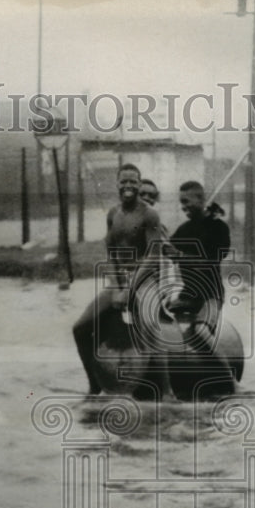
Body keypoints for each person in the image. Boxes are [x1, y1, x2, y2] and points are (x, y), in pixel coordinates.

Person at [72, 163, 176, 399]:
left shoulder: (149, 214)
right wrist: (118, 287)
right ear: (117, 184)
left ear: (139, 185)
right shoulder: (113, 214)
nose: (128, 186)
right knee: (80, 328)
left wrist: (130, 289)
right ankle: (94, 384)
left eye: (133, 182)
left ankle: (167, 392)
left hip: (145, 282)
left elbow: (153, 255)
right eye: (124, 181)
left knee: (150, 327)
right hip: (120, 283)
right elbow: (110, 254)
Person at [169, 180, 232, 369]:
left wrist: (179, 255)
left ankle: (233, 382)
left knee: (201, 331)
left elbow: (210, 261)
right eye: (181, 202)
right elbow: (167, 250)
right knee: (159, 319)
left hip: (210, 295)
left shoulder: (219, 228)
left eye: (187, 202)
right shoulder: (184, 230)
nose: (183, 207)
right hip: (187, 296)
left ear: (201, 199)